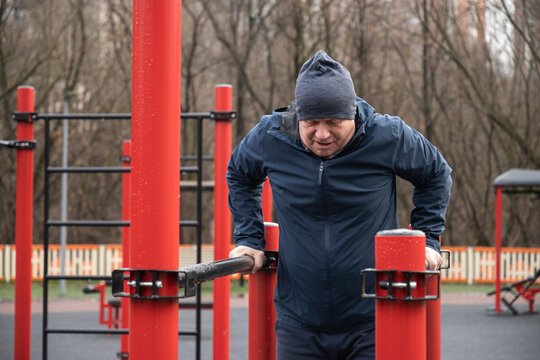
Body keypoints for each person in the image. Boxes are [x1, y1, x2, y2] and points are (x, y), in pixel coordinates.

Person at [227, 50, 452, 359]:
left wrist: (427, 239)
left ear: (352, 115)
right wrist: (249, 238)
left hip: (371, 318)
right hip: (299, 322)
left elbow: (436, 173)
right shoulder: (272, 136)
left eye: (333, 122)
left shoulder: (387, 136)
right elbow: (239, 173)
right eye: (311, 122)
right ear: (298, 116)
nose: (322, 134)